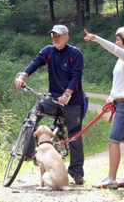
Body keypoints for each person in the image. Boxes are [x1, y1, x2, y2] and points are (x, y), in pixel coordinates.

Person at [14, 24, 86, 185]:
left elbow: (76, 76)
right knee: (32, 116)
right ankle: (30, 152)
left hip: (72, 100)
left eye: (59, 35)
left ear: (67, 37)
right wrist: (23, 76)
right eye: (53, 35)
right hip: (53, 100)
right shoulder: (48, 51)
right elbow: (35, 62)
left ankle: (76, 172)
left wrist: (67, 93)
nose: (56, 38)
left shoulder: (75, 53)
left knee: (74, 136)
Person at [83, 27, 124, 189]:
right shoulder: (123, 59)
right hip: (121, 103)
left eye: (118, 40)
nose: (115, 43)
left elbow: (113, 49)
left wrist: (96, 38)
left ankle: (111, 178)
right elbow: (120, 82)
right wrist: (111, 98)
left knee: (113, 140)